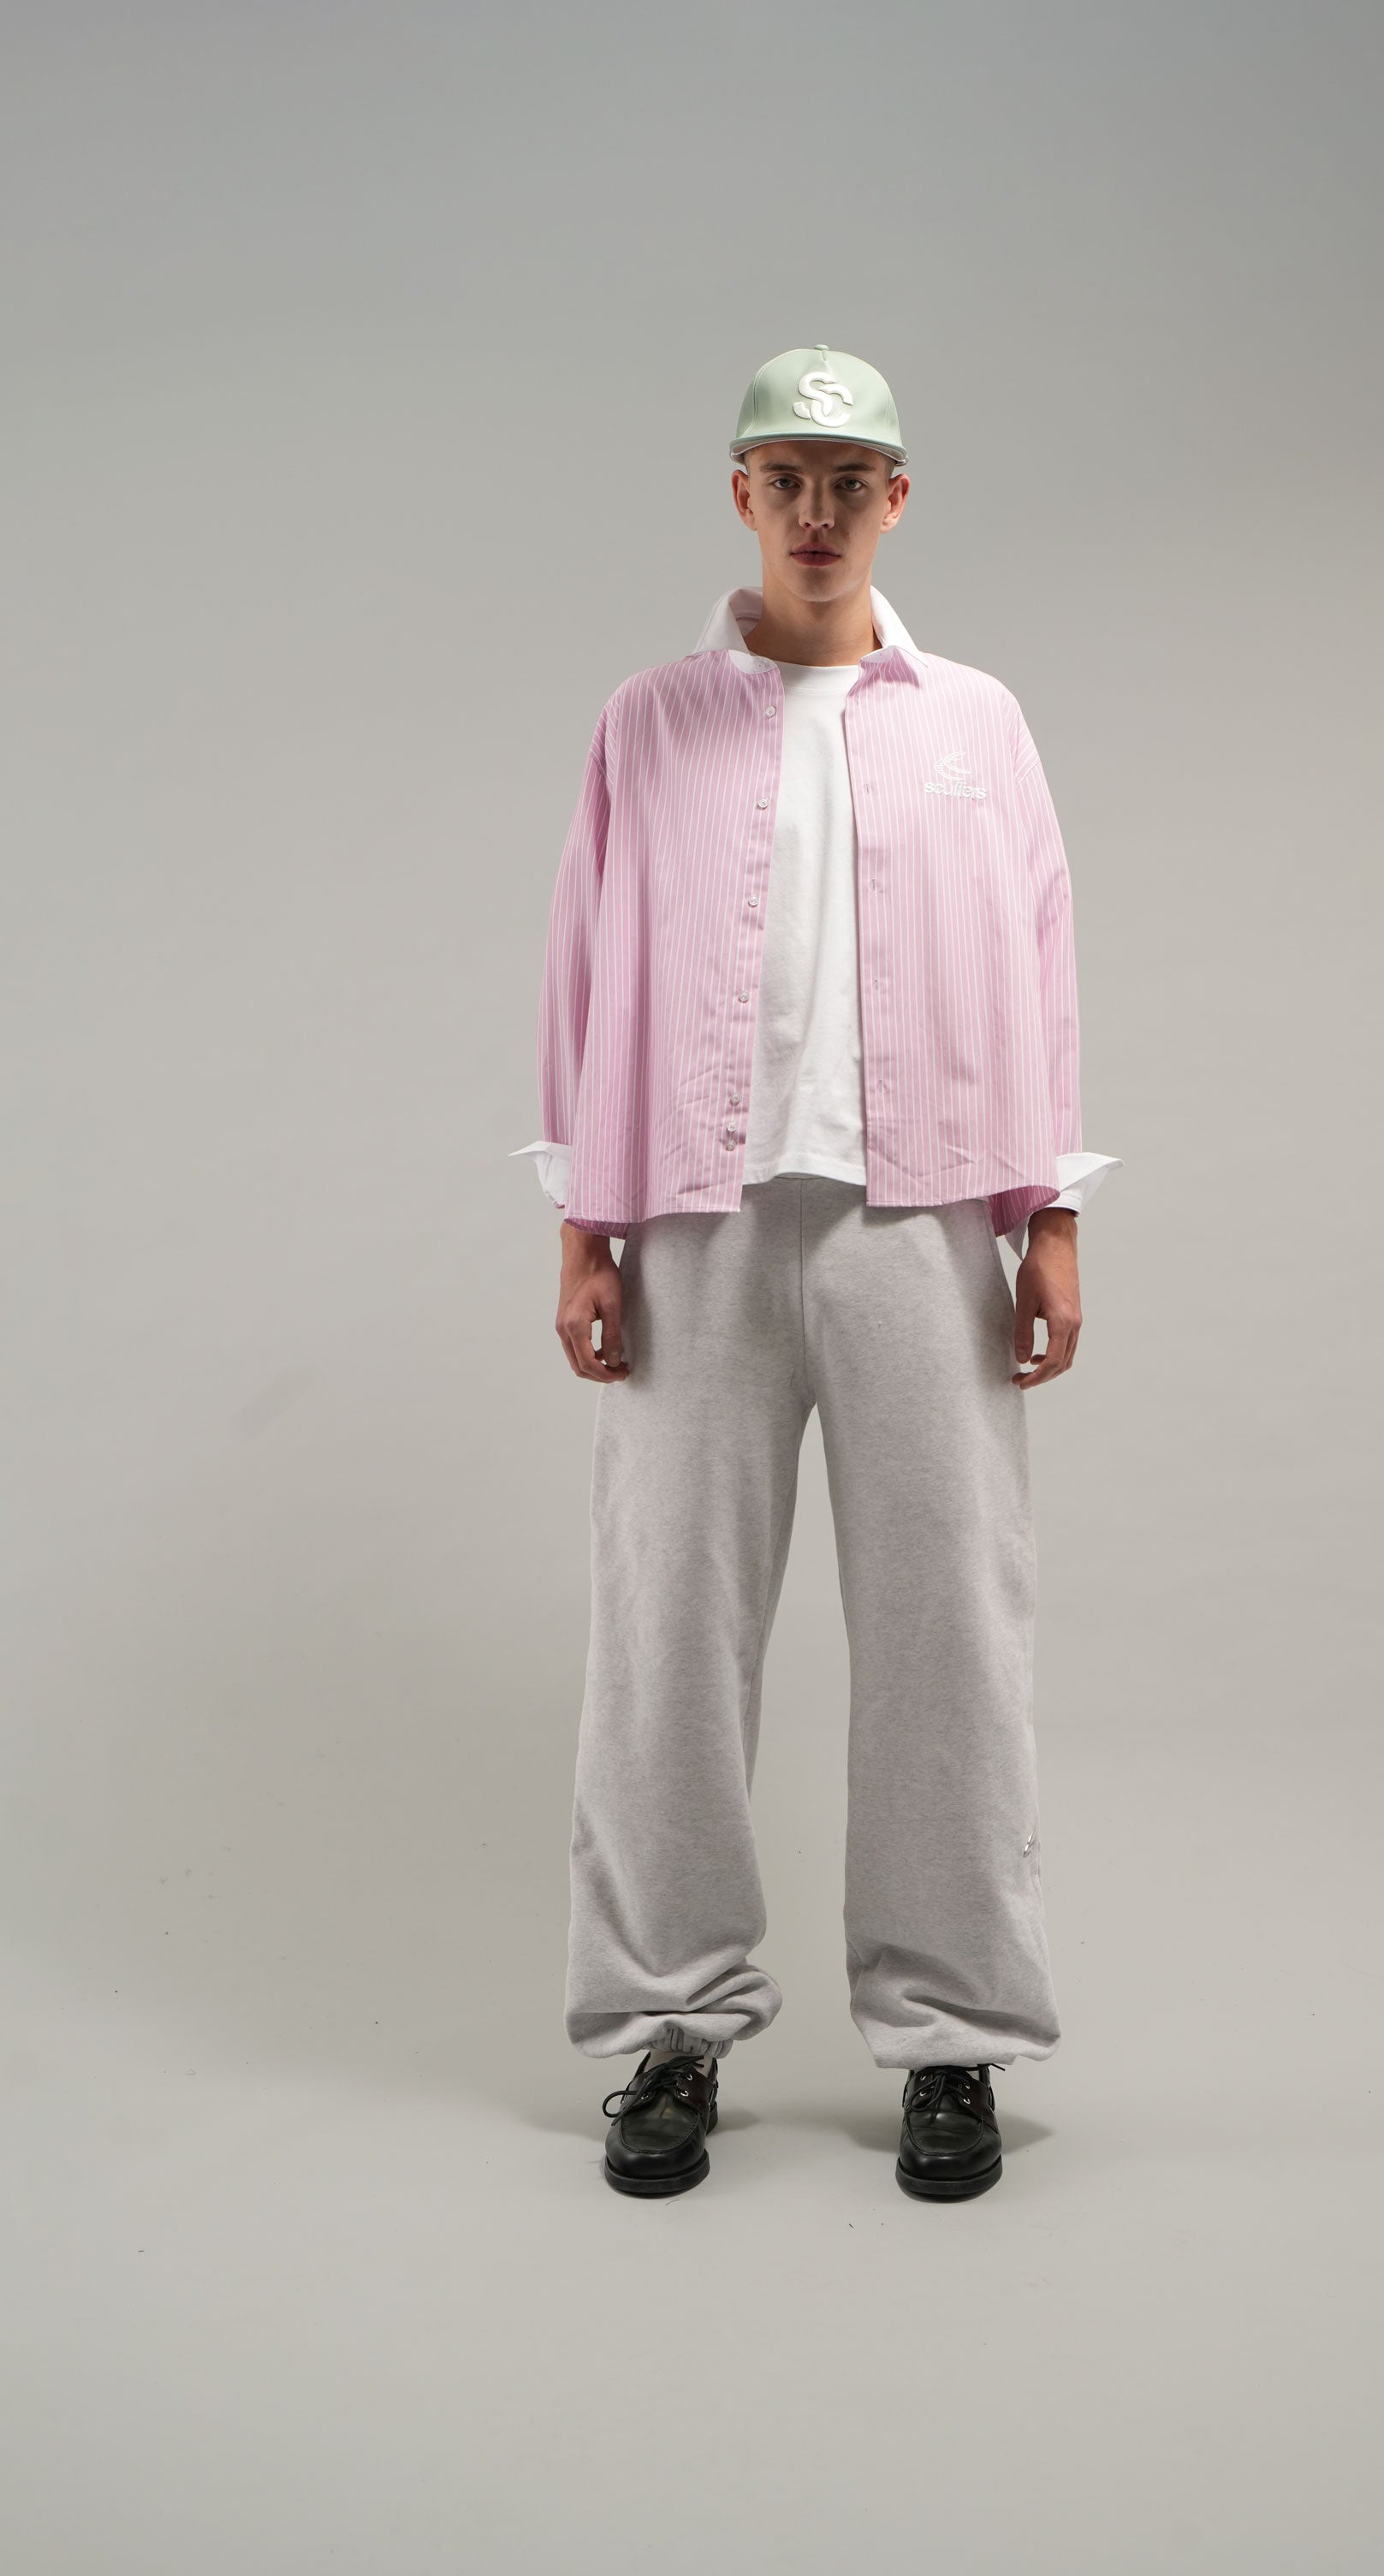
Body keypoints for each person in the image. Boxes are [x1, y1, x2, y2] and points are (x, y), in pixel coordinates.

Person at [513, 344, 1117, 2200]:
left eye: (853, 478)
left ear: (897, 498)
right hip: (694, 1222)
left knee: (949, 1631)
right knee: (666, 1640)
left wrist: (1049, 1213)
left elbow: (1039, 954)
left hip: (921, 1218)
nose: (820, 510)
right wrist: (584, 1222)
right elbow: (583, 966)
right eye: (787, 476)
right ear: (742, 495)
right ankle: (667, 2021)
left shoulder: (977, 721)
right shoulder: (647, 721)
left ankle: (951, 2034)